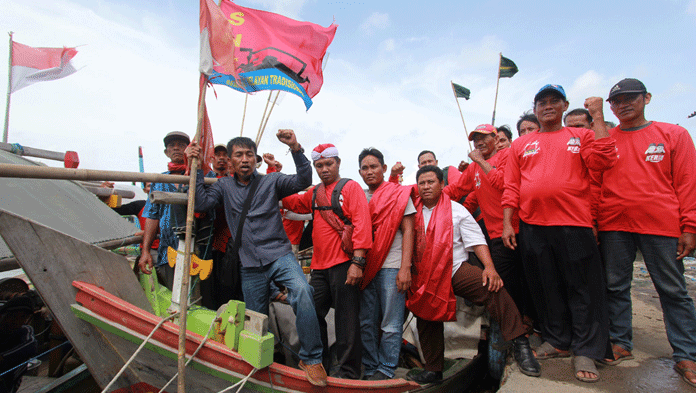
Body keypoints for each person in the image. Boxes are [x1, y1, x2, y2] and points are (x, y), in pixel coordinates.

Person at [188, 130, 328, 387]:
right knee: (256, 318)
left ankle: (311, 358)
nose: (244, 159)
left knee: (303, 291)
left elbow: (302, 180)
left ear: (255, 159)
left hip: (279, 254)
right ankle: (263, 362)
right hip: (249, 263)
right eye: (239, 155)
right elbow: (200, 204)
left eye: (249, 154)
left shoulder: (271, 182)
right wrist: (194, 166)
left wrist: (296, 147)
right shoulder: (223, 186)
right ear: (230, 161)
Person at [502, 84, 617, 382]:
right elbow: (512, 186)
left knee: (582, 289)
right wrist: (507, 223)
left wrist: (597, 115)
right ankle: (557, 340)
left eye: (554, 101)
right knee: (546, 286)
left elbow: (604, 161)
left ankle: (587, 350)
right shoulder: (521, 144)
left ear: (565, 106)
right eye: (542, 102)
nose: (548, 106)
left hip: (573, 224)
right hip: (533, 226)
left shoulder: (583, 135)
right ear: (535, 108)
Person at [597, 78, 696, 388]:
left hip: (661, 224)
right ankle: (620, 342)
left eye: (631, 98)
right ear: (610, 107)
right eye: (617, 101)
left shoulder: (673, 134)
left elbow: (687, 182)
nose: (624, 104)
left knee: (672, 290)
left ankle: (686, 354)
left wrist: (690, 226)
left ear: (647, 98)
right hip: (614, 224)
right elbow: (595, 182)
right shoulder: (606, 139)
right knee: (615, 286)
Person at [408, 165, 540, 384]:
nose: (426, 187)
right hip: (425, 275)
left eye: (431, 182)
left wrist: (489, 267)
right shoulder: (413, 213)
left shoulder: (456, 210)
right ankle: (433, 370)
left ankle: (520, 343)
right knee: (424, 313)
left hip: (455, 268)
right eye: (422, 183)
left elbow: (476, 241)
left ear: (442, 185)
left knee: (492, 288)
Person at [282, 143, 372, 379]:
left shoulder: (351, 188)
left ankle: (349, 372)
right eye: (319, 165)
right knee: (311, 314)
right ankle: (318, 363)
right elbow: (294, 203)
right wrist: (273, 179)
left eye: (328, 164)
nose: (324, 169)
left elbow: (362, 224)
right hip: (319, 267)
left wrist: (358, 262)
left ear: (338, 163)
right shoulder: (314, 193)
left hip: (345, 263)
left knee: (347, 321)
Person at [444, 124, 535, 331]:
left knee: (531, 278)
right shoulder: (474, 168)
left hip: (521, 227)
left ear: (496, 138)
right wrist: (429, 196)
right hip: (496, 234)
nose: (479, 143)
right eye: (476, 139)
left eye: (484, 138)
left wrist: (479, 161)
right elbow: (457, 189)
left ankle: (535, 323)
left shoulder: (507, 155)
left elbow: (502, 182)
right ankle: (519, 327)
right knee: (507, 283)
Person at [357, 148, 414, 380]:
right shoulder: (358, 196)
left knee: (391, 322)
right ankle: (370, 367)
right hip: (365, 266)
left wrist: (405, 267)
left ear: (383, 168)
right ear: (359, 172)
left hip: (392, 266)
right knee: (367, 322)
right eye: (365, 168)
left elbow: (409, 229)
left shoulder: (397, 193)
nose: (369, 171)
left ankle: (387, 368)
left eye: (374, 167)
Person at [138, 131, 213, 290]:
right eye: (172, 145)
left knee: (198, 297)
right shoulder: (160, 180)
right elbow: (152, 217)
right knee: (174, 296)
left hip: (199, 251)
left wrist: (198, 165)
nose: (176, 148)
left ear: (188, 149)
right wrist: (145, 250)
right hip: (168, 252)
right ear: (166, 152)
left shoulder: (203, 175)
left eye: (181, 145)